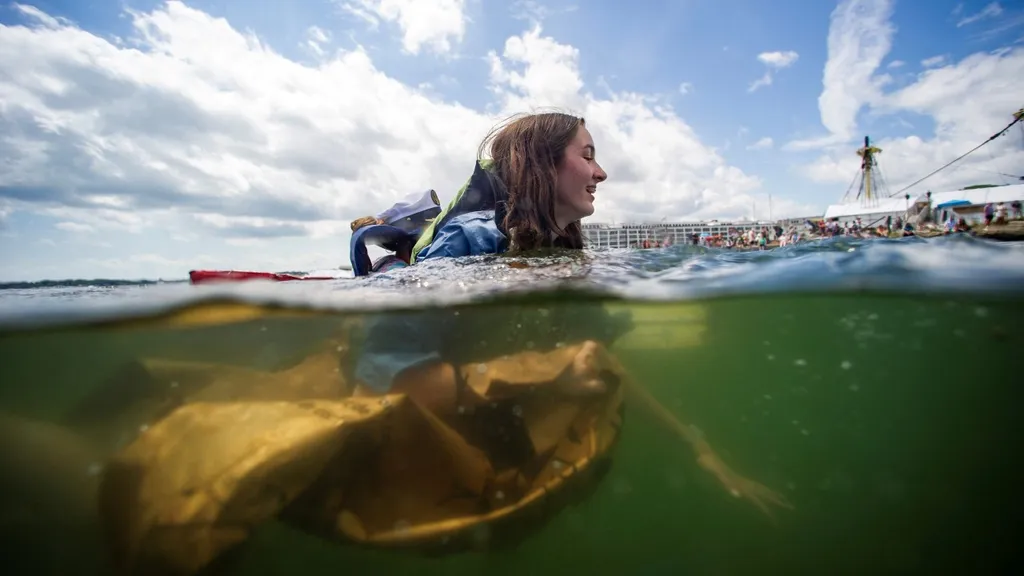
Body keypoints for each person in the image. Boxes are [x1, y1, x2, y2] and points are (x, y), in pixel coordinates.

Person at [353, 112, 791, 516]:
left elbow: (598, 360)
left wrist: (699, 450)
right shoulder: (470, 240)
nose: (601, 173)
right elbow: (383, 380)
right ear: (543, 164)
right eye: (587, 156)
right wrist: (547, 374)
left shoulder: (566, 255)